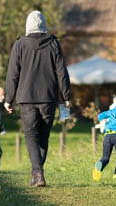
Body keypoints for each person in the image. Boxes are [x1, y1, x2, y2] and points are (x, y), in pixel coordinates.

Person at [4, 10, 72, 187]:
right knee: (43, 135)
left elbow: (13, 74)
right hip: (48, 97)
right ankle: (38, 172)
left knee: (31, 134)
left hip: (26, 97)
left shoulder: (19, 45)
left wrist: (8, 98)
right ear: (44, 25)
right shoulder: (53, 44)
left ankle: (37, 172)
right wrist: (66, 95)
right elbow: (61, 71)